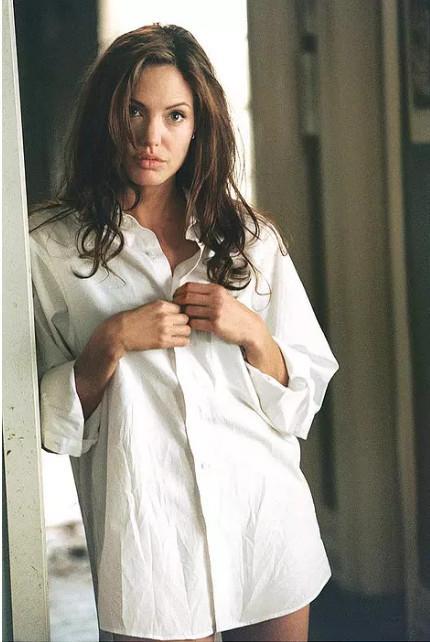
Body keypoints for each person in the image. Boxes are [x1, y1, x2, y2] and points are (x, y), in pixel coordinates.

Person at [30, 23, 339, 642]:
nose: (152, 136)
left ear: (199, 126)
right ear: (105, 118)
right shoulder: (48, 249)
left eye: (175, 115)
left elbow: (302, 395)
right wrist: (109, 344)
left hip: (265, 526)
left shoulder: (250, 240)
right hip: (151, 545)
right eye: (134, 111)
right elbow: (39, 424)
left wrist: (252, 333)